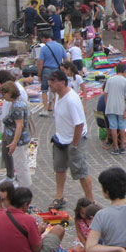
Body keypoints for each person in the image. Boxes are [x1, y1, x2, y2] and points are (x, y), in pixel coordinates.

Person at [0, 186, 65, 252]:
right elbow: (37, 249)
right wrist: (38, 231)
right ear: (25, 204)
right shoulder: (28, 220)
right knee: (58, 229)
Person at [49, 70, 94, 208]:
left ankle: (91, 201)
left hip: (75, 140)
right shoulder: (57, 95)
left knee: (80, 170)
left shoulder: (71, 99)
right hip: (60, 139)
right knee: (59, 168)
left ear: (62, 83)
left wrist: (74, 144)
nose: (49, 84)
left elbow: (79, 124)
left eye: (53, 81)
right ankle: (59, 196)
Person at [0, 81, 32, 187]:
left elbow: (19, 125)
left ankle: (24, 189)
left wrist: (14, 142)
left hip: (19, 141)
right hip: (20, 139)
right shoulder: (18, 103)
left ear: (9, 93)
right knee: (22, 165)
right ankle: (24, 186)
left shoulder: (17, 106)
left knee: (21, 166)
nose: (3, 96)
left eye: (4, 93)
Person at [104, 63, 126, 155]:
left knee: (113, 127)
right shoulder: (125, 81)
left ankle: (115, 147)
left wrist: (106, 105)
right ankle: (122, 146)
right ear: (124, 71)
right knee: (122, 127)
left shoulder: (110, 80)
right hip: (120, 107)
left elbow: (106, 94)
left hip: (110, 107)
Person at [37, 32, 66, 116]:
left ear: (44, 38)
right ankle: (56, 109)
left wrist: (39, 74)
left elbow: (41, 62)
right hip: (57, 69)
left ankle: (45, 109)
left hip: (47, 70)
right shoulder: (60, 46)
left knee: (44, 90)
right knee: (56, 90)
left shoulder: (44, 48)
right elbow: (66, 58)